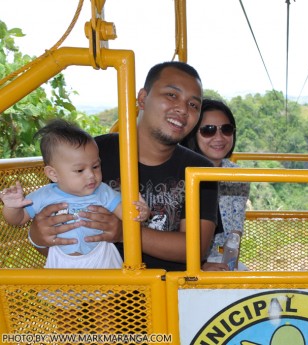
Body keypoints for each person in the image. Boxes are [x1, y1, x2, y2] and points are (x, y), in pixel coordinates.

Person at [27, 61, 219, 271]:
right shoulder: (91, 155)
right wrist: (37, 237)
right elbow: (56, 235)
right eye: (172, 95)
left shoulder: (200, 169)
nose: (182, 109)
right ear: (143, 99)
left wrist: (124, 232)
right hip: (102, 292)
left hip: (170, 291)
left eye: (193, 105)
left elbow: (194, 248)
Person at [0, 119, 150, 269]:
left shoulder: (103, 191)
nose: (91, 175)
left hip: (102, 257)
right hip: (62, 262)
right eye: (80, 170)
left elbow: (127, 215)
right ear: (53, 174)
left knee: (115, 290)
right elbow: (18, 220)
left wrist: (139, 212)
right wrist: (12, 207)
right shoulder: (44, 195)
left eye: (96, 166)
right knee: (57, 291)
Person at [181, 99, 250, 270]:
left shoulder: (237, 176)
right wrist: (201, 266)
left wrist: (228, 266)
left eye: (226, 129)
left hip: (217, 259)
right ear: (192, 134)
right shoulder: (180, 172)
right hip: (182, 262)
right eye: (208, 130)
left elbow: (234, 235)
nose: (219, 138)